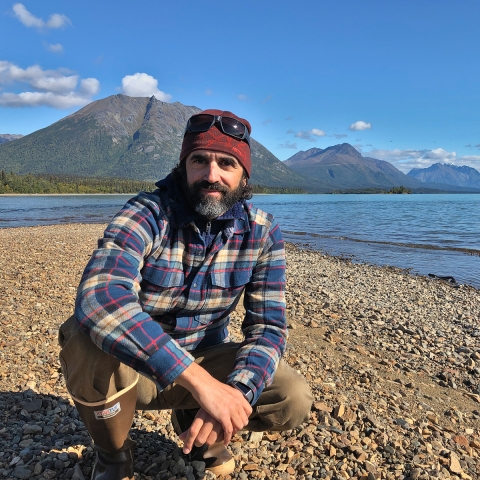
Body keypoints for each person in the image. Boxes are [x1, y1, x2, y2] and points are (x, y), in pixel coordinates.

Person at [58, 109, 312, 479]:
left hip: (205, 356)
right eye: (200, 161)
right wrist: (200, 382)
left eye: (227, 163)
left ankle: (198, 425)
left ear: (244, 175)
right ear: (183, 166)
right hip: (136, 368)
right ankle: (113, 456)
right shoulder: (147, 214)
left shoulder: (263, 232)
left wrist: (236, 393)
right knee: (85, 342)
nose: (212, 174)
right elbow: (100, 298)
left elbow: (269, 328)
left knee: (291, 395)